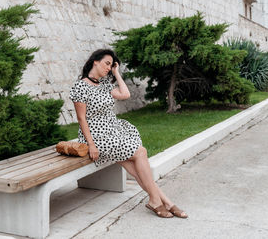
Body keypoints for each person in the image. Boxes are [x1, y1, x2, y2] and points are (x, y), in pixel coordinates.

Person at [69, 49, 187, 218]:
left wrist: (117, 73)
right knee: (140, 152)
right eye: (107, 64)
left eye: (111, 65)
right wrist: (92, 145)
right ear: (95, 61)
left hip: (113, 132)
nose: (108, 68)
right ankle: (161, 201)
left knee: (135, 168)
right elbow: (81, 119)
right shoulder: (81, 86)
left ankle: (163, 202)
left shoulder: (104, 85)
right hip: (96, 137)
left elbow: (125, 94)